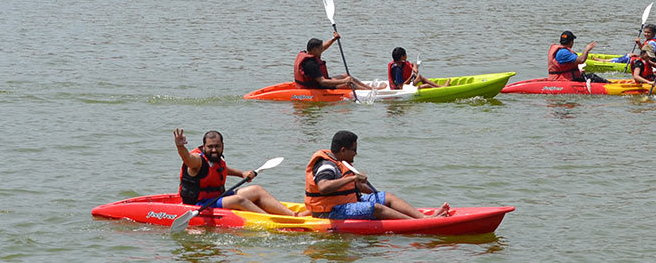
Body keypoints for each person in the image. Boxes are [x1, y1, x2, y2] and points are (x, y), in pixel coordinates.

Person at [305, 130, 451, 220]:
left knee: (387, 197)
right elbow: (323, 187)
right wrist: (354, 178)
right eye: (354, 150)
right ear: (343, 150)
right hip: (330, 213)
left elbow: (347, 188)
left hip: (346, 203)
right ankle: (417, 223)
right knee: (375, 208)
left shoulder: (342, 162)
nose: (356, 153)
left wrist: (361, 186)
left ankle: (424, 217)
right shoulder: (326, 165)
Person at [174, 128, 305, 216]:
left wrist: (241, 174)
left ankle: (293, 215)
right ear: (204, 147)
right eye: (210, 147)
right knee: (239, 200)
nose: (214, 150)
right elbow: (187, 158)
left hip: (217, 197)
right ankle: (273, 221)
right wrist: (181, 147)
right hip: (200, 203)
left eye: (217, 146)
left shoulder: (216, 160)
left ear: (222, 146)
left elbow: (220, 170)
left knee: (256, 190)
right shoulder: (197, 161)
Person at [293, 34, 372, 90]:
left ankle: (371, 89)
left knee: (346, 75)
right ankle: (369, 92)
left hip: (320, 83)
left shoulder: (309, 52)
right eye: (321, 49)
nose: (322, 50)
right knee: (348, 83)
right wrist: (344, 81)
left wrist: (333, 39)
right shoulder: (310, 64)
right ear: (314, 50)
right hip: (318, 87)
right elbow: (323, 82)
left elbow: (324, 46)